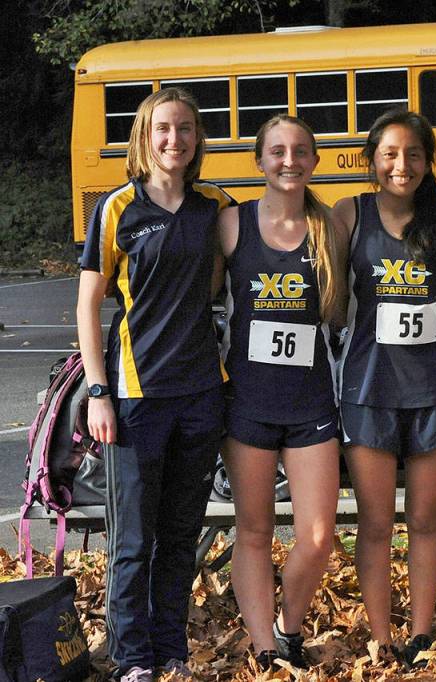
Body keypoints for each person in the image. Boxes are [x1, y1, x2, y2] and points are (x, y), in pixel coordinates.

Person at [77, 87, 234, 682]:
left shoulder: (217, 205)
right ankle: (131, 657)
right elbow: (88, 305)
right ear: (145, 137)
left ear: (199, 139)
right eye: (163, 129)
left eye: (186, 129)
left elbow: (227, 277)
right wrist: (98, 391)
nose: (175, 140)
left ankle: (171, 647)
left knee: (180, 533)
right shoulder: (118, 207)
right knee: (134, 538)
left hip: (201, 393)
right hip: (135, 395)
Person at [331, 109, 436, 669]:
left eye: (412, 154)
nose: (400, 165)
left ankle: (423, 632)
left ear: (429, 161)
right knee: (377, 521)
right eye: (389, 154)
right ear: (372, 161)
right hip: (369, 388)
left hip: (432, 389)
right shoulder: (349, 214)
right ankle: (381, 635)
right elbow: (333, 297)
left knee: (427, 518)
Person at [215, 115, 345, 671]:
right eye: (277, 151)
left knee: (317, 536)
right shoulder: (231, 225)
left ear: (314, 160)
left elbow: (338, 312)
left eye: (300, 150)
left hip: (311, 402)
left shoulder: (330, 228)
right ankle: (266, 646)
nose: (288, 160)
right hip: (246, 402)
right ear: (259, 161)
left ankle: (288, 628)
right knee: (254, 530)